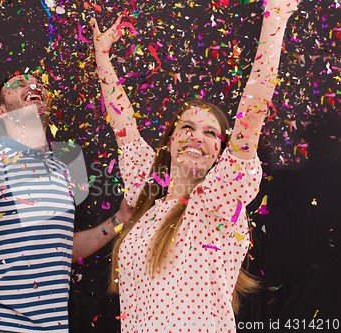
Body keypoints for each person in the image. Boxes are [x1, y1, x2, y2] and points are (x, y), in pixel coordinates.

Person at [90, 0, 298, 331]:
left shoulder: (218, 201)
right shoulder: (150, 192)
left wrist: (276, 17)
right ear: (171, 140)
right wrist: (102, 57)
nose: (196, 137)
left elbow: (254, 111)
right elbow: (123, 125)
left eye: (210, 132)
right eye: (187, 127)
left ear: (220, 152)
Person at [0, 73, 134, 333]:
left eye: (37, 82)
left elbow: (60, 247)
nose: (32, 85)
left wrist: (118, 221)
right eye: (18, 84)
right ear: (1, 111)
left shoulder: (61, 169)